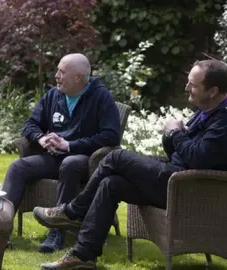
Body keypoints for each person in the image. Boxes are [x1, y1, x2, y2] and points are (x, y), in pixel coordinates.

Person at [35, 59, 227, 269]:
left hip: (190, 189)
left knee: (116, 157)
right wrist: (172, 136)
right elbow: (179, 151)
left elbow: (197, 157)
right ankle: (83, 256)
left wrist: (174, 132)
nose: (187, 88)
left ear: (213, 91)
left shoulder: (223, 120)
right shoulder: (206, 111)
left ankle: (72, 212)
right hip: (177, 178)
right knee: (111, 184)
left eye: (193, 84)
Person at [2, 53, 121, 252]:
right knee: (17, 167)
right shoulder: (54, 95)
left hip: (86, 161)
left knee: (70, 163)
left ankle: (57, 231)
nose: (56, 76)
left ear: (79, 78)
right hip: (54, 157)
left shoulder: (101, 97)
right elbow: (30, 124)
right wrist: (40, 138)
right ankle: (1, 229)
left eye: (62, 72)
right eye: (57, 70)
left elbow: (111, 136)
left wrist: (70, 145)